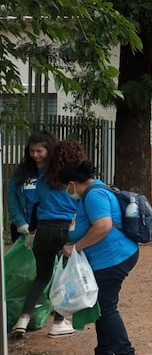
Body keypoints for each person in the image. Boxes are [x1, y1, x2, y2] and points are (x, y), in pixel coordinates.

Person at [57, 159, 140, 354]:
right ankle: (103, 350)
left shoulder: (94, 194)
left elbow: (103, 226)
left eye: (64, 187)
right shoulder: (95, 190)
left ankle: (125, 351)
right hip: (111, 257)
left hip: (113, 258)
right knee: (102, 308)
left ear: (72, 184)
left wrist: (76, 247)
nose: (65, 192)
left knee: (106, 307)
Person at [12, 138, 83, 339]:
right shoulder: (73, 181)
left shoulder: (42, 179)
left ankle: (23, 320)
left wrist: (32, 232)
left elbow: (34, 207)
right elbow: (80, 208)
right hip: (66, 230)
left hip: (43, 230)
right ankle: (59, 322)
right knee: (64, 278)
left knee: (41, 277)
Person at [7, 131, 56, 243]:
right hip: (23, 227)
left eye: (39, 151)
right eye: (32, 151)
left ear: (49, 151)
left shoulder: (56, 172)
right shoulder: (22, 171)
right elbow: (11, 195)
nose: (34, 155)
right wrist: (19, 222)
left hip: (46, 227)